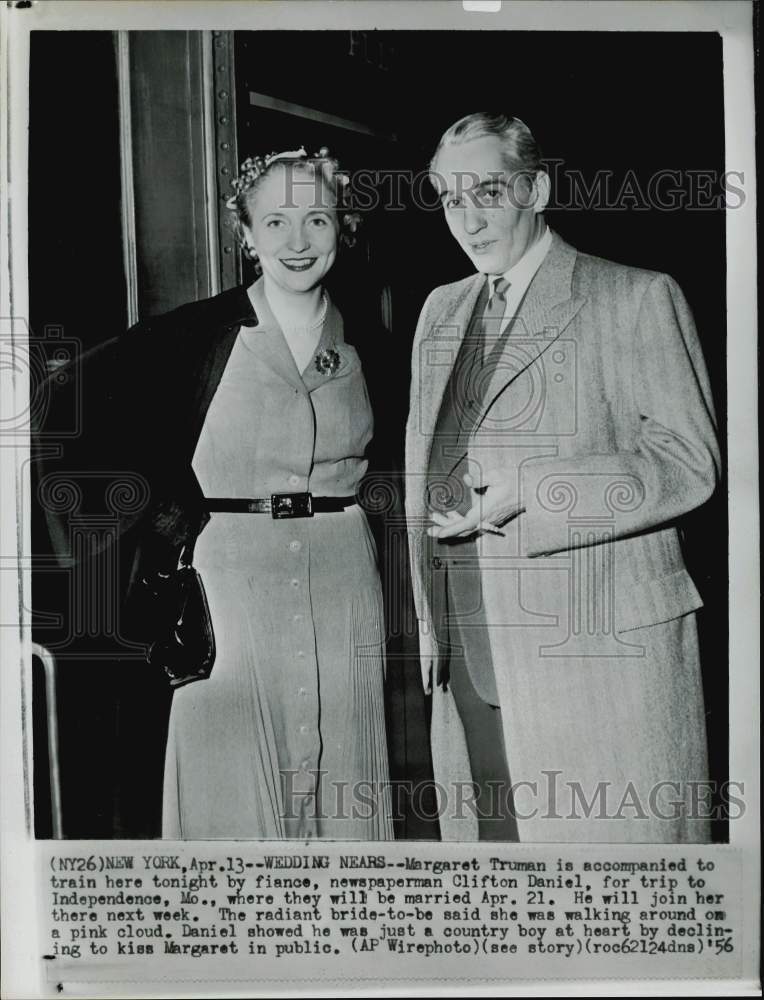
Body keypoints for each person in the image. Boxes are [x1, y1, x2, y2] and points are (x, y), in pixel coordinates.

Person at [38, 148, 394, 840]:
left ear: (342, 227)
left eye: (316, 219)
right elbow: (63, 408)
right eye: (276, 221)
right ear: (246, 235)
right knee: (232, 785)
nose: (297, 241)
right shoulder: (191, 337)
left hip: (344, 577)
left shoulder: (371, 346)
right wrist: (165, 514)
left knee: (343, 782)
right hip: (230, 582)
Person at [405, 113, 720, 842]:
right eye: (451, 199)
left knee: (613, 899)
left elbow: (688, 461)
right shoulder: (440, 309)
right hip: (471, 656)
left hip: (596, 664)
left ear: (537, 187)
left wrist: (538, 490)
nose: (469, 219)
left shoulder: (634, 297)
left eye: (487, 191)